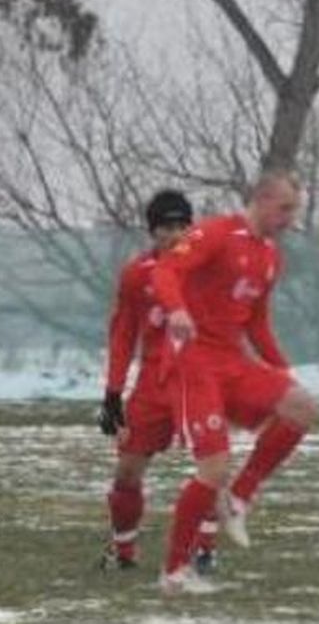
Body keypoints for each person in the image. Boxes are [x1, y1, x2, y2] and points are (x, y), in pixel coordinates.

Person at [149, 171, 319, 595]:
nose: (289, 218)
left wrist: (281, 369)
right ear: (261, 200)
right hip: (193, 362)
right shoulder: (215, 233)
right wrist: (176, 311)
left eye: (293, 211)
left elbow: (257, 321)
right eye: (284, 208)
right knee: (213, 468)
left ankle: (239, 499)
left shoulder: (271, 256)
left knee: (302, 407)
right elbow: (165, 271)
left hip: (231, 361)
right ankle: (173, 572)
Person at [97, 189, 216, 573]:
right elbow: (122, 335)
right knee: (127, 470)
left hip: (197, 380)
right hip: (152, 384)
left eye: (183, 224)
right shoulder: (137, 275)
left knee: (210, 464)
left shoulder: (206, 269)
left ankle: (204, 551)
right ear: (153, 231)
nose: (176, 233)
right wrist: (113, 392)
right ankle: (124, 552)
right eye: (167, 226)